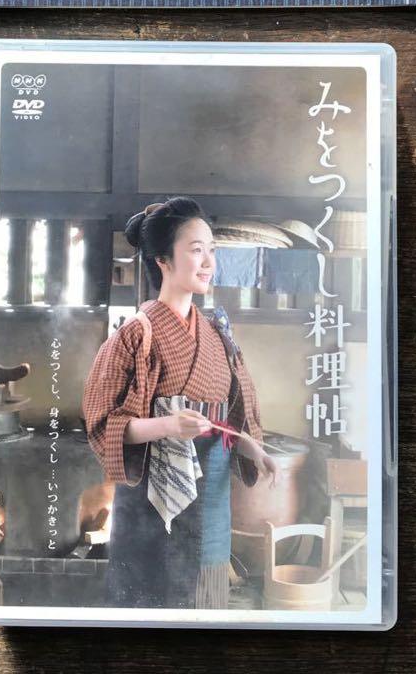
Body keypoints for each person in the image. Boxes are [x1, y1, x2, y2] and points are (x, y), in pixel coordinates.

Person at [82, 197, 278, 609]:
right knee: (155, 595)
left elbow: (225, 421)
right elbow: (104, 422)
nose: (208, 262)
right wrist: (168, 426)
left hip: (212, 492)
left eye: (211, 250)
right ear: (163, 260)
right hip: (155, 498)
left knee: (207, 589)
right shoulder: (135, 335)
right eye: (195, 250)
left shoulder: (216, 333)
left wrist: (252, 449)